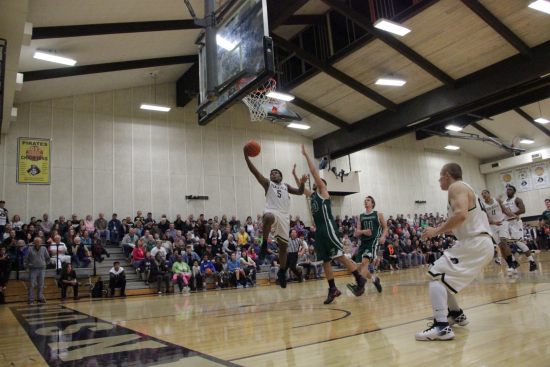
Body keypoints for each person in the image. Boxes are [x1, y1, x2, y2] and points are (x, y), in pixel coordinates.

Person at [415, 163, 494, 341]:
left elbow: (461, 215)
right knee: (442, 278)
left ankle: (441, 327)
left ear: (448, 175)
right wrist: (441, 229)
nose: (439, 180)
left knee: (435, 274)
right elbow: (464, 222)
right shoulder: (465, 189)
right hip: (478, 241)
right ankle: (456, 314)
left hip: (476, 242)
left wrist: (436, 231)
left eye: (440, 176)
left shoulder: (456, 187)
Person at [294, 144, 367, 304]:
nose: (314, 183)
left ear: (321, 184)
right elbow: (300, 191)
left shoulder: (323, 193)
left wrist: (306, 156)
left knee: (339, 256)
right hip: (319, 230)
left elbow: (314, 171)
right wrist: (295, 175)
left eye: (317, 182)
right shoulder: (312, 196)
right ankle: (332, 289)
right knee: (325, 260)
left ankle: (359, 279)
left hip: (328, 227)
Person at [244, 144, 306, 285]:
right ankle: (264, 244)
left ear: (281, 176)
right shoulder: (268, 184)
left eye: (275, 172)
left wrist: (302, 184)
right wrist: (246, 157)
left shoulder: (286, 186)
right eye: (271, 173)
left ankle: (282, 273)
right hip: (272, 210)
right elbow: (256, 173)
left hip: (284, 215)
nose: (273, 174)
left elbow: (300, 192)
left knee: (283, 247)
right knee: (269, 217)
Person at [352, 196, 386, 294]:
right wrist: (363, 231)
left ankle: (360, 287)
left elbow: (385, 227)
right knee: (359, 268)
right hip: (363, 242)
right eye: (365, 200)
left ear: (373, 204)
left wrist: (383, 237)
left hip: (373, 241)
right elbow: (357, 232)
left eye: (368, 200)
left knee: (365, 262)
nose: (366, 202)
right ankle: (375, 280)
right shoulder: (360, 216)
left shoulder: (378, 214)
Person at [481, 190, 518, 271]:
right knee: (501, 247)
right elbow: (485, 217)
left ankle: (512, 264)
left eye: (485, 193)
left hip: (502, 223)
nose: (484, 195)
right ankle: (511, 263)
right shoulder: (483, 205)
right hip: (493, 226)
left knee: (504, 241)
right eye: (482, 194)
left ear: (489, 194)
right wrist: (494, 222)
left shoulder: (497, 200)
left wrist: (513, 215)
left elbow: (505, 210)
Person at [503, 185, 537, 271]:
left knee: (519, 243)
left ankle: (532, 262)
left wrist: (513, 214)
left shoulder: (517, 199)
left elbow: (523, 210)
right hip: (507, 223)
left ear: (514, 191)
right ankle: (513, 263)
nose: (508, 191)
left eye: (510, 189)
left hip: (515, 222)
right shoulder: (504, 202)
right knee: (505, 244)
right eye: (507, 190)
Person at [24, 238, 50, 304]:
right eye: (37, 241)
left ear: (41, 242)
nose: (38, 242)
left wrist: (45, 264)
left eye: (39, 241)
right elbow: (25, 259)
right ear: (34, 242)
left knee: (40, 284)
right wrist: (26, 267)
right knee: (31, 284)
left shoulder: (44, 249)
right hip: (33, 269)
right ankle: (30, 298)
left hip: (42, 268)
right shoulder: (30, 249)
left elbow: (48, 258)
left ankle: (39, 298)